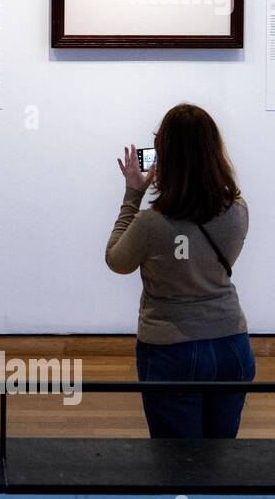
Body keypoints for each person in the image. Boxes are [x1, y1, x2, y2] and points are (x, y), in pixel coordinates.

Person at [106, 103, 255, 438]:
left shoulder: (150, 224)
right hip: (231, 344)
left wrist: (133, 194)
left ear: (165, 159)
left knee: (177, 462)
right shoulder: (238, 211)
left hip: (171, 350)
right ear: (215, 152)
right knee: (221, 455)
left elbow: (116, 260)